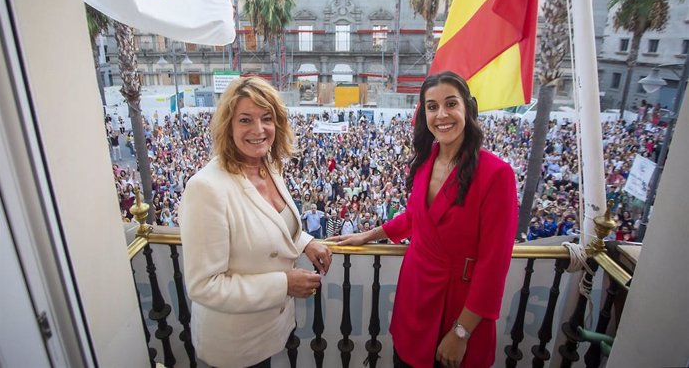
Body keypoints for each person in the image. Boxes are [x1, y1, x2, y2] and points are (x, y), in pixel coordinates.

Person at [329, 72, 518, 368]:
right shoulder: (424, 161)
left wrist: (462, 331)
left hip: (460, 307)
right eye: (432, 106)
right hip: (415, 294)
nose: (441, 115)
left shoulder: (497, 174)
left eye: (450, 104)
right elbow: (418, 216)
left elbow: (494, 264)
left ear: (468, 108)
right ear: (424, 114)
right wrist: (368, 235)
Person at [179, 77, 333, 368]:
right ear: (228, 126)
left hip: (268, 331)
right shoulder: (206, 188)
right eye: (245, 120)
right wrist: (284, 284)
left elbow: (269, 223)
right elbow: (204, 286)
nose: (259, 130)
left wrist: (305, 241)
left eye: (267, 118)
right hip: (233, 345)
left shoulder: (268, 165)